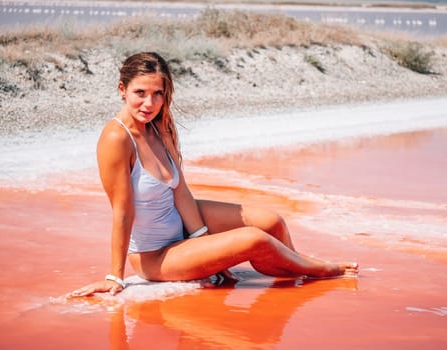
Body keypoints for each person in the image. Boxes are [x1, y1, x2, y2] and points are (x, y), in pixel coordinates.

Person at [69, 52, 358, 297]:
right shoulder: (115, 139)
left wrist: (204, 244)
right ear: (123, 90)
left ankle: (295, 267)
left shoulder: (160, 125)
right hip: (154, 255)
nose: (150, 104)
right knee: (254, 239)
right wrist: (114, 277)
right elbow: (122, 211)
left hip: (179, 224)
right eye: (140, 93)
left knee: (271, 222)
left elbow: (180, 191)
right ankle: (320, 269)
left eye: (158, 94)